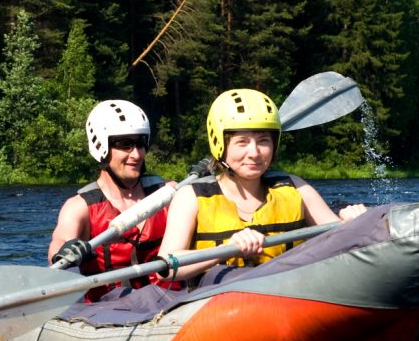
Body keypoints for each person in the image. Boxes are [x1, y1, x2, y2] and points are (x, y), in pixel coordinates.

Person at [157, 88, 366, 282]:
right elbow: (167, 268)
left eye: (263, 141)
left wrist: (352, 223)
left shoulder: (296, 188)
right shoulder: (191, 197)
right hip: (216, 301)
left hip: (288, 294)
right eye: (242, 142)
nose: (255, 153)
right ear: (220, 144)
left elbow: (339, 239)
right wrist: (227, 248)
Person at [49, 99, 179, 302]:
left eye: (140, 143)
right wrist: (65, 251)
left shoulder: (167, 193)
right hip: (109, 314)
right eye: (125, 144)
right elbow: (58, 246)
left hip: (169, 306)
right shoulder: (80, 208)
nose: (136, 154)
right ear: (102, 147)